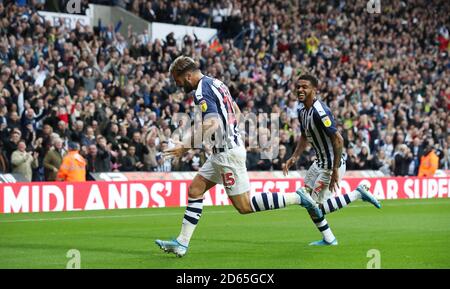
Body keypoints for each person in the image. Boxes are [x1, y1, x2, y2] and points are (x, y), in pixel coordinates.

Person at [155, 56, 319, 257]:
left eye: (177, 80)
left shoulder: (201, 91)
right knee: (196, 188)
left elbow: (212, 123)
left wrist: (185, 146)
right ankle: (181, 242)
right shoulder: (217, 83)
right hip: (222, 152)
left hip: (226, 155)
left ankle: (297, 197)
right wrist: (232, 134)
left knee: (244, 206)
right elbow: (236, 111)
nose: (177, 84)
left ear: (187, 76)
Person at [283, 74, 381, 246]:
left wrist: (335, 169)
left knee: (315, 206)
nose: (300, 90)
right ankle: (329, 239)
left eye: (304, 86)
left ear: (314, 90)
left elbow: (338, 139)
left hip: (330, 166)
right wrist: (294, 156)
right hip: (318, 163)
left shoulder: (320, 111)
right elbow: (305, 137)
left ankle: (357, 194)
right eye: (298, 87)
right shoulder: (302, 112)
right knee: (307, 202)